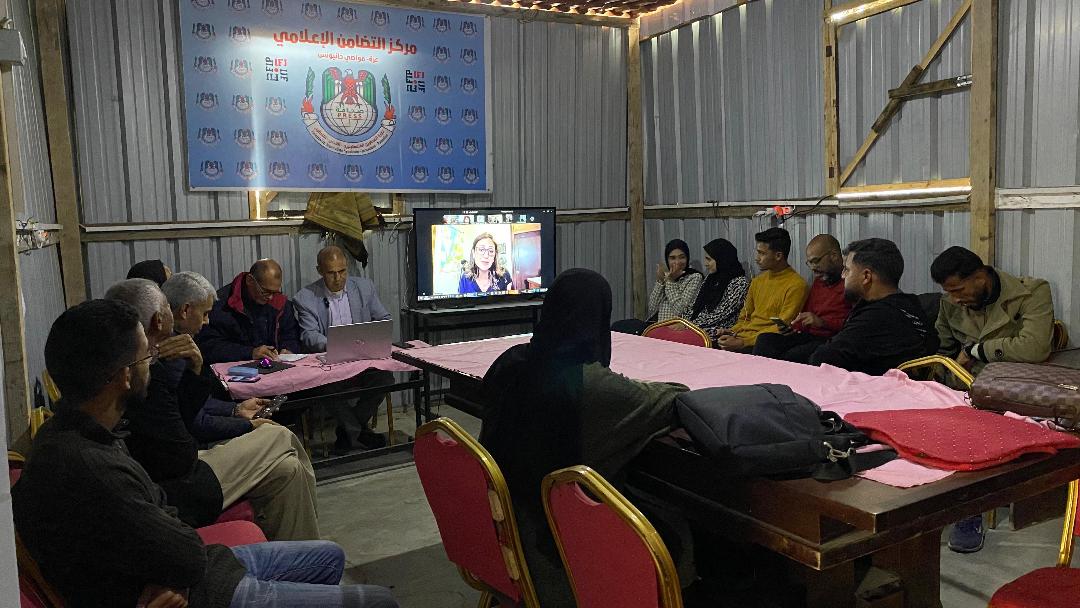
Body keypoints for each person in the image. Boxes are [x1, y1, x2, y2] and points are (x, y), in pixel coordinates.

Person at [13, 299, 399, 608]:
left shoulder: (77, 434)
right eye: (147, 357)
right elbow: (185, 549)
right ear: (126, 376)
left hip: (199, 567)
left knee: (328, 552)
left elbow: (159, 506)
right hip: (206, 590)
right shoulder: (90, 465)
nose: (154, 363)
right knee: (380, 601)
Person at [480, 268, 688, 607]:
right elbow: (674, 398)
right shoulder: (591, 386)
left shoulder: (509, 362)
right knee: (679, 526)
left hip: (498, 535)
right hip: (557, 558)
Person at [107, 279, 320, 541]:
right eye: (167, 309)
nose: (207, 321)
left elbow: (180, 420)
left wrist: (211, 386)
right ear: (158, 321)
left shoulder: (133, 367)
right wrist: (244, 423)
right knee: (280, 435)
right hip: (175, 485)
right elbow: (181, 446)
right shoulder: (150, 369)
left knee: (287, 469)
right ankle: (313, 554)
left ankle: (301, 556)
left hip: (172, 471)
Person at [930, 245, 1055, 554]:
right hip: (962, 386)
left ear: (980, 276)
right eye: (949, 292)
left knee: (973, 430)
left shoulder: (1031, 293)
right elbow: (942, 352)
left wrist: (975, 350)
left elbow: (1035, 347)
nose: (955, 299)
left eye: (959, 290)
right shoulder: (950, 304)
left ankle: (968, 511)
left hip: (1011, 390)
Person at [294, 246, 394, 453]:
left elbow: (383, 318)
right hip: (330, 363)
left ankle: (347, 431)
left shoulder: (364, 288)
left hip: (362, 360)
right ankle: (360, 432)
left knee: (385, 379)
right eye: (331, 273)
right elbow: (309, 335)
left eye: (342, 271)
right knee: (323, 387)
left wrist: (372, 337)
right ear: (320, 271)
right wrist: (336, 344)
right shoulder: (305, 298)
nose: (338, 278)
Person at [162, 271, 276, 444]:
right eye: (205, 314)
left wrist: (236, 409)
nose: (207, 321)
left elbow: (198, 404)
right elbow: (197, 423)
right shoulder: (174, 350)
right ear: (185, 310)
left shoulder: (175, 340)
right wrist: (249, 425)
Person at [805, 238, 938, 375]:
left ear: (866, 276)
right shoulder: (910, 304)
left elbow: (820, 360)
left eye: (847, 270)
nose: (843, 276)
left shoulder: (876, 317)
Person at [753, 234, 851, 363]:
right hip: (809, 335)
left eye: (816, 261)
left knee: (793, 355)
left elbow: (854, 325)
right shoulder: (820, 280)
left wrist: (822, 322)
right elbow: (806, 313)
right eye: (809, 263)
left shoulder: (850, 283)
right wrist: (794, 328)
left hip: (832, 338)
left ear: (834, 255)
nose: (813, 268)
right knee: (765, 340)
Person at [716, 228, 808, 352]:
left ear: (778, 256)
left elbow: (782, 326)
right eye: (757, 252)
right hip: (743, 338)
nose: (757, 258)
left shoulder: (796, 285)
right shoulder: (757, 281)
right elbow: (745, 317)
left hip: (762, 344)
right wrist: (732, 331)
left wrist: (744, 342)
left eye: (762, 253)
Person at [197, 258, 303, 364]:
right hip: (233, 368)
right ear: (250, 280)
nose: (271, 297)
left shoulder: (280, 302)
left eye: (275, 292)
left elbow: (291, 335)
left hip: (274, 366)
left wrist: (289, 349)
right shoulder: (221, 305)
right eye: (265, 292)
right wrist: (250, 353)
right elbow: (209, 346)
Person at [611, 239, 705, 335]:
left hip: (677, 331)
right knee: (618, 327)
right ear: (667, 260)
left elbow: (680, 310)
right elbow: (652, 308)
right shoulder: (667, 275)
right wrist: (660, 281)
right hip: (657, 327)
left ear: (687, 258)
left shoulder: (694, 277)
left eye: (682, 257)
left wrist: (671, 281)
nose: (677, 262)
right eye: (672, 258)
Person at [687, 238, 749, 343]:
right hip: (698, 327)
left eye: (709, 259)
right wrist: (683, 321)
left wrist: (689, 325)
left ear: (722, 259)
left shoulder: (740, 283)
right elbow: (694, 305)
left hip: (720, 332)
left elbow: (720, 314)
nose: (705, 263)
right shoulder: (711, 278)